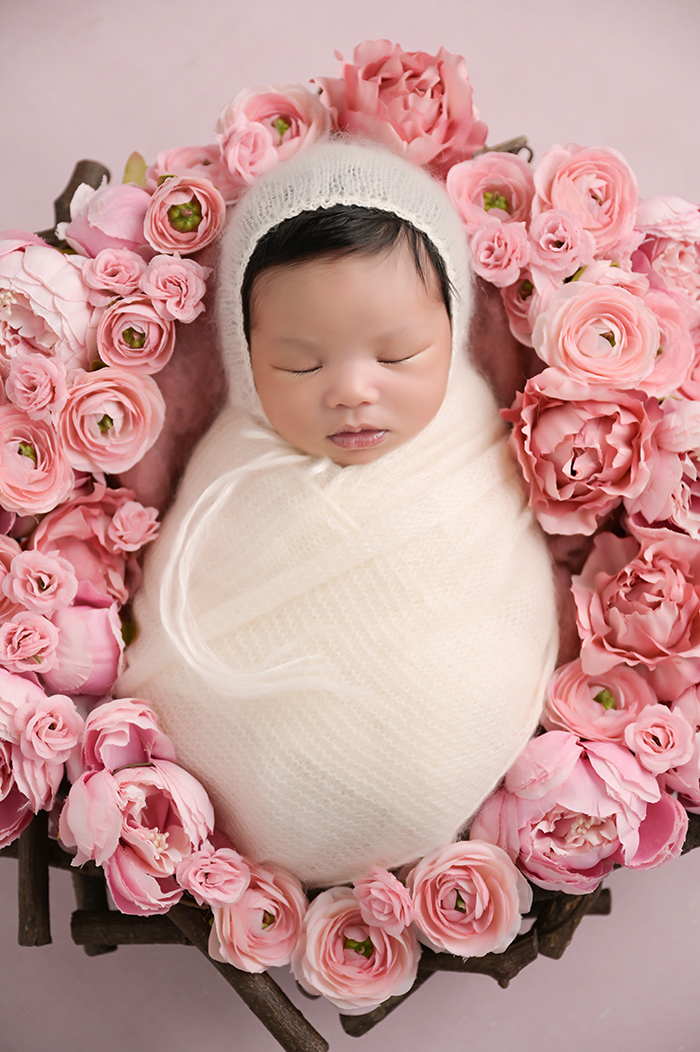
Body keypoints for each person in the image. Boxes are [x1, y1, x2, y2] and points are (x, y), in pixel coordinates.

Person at [118, 140, 558, 888]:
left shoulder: (474, 445)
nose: (353, 390)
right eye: (300, 363)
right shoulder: (234, 467)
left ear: (451, 335)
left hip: (445, 756)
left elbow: (502, 596)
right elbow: (177, 626)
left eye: (397, 355)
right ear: (244, 352)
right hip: (248, 795)